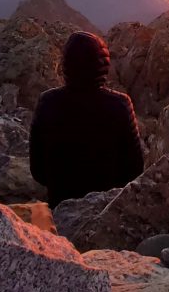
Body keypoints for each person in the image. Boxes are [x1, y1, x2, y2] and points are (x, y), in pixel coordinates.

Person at [30, 32, 146, 207]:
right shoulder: (120, 105)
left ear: (66, 64)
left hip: (60, 210)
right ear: (103, 65)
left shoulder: (47, 102)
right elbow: (135, 169)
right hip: (107, 211)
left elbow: (37, 170)